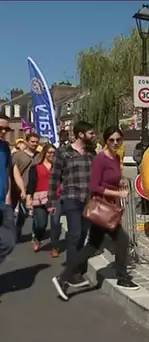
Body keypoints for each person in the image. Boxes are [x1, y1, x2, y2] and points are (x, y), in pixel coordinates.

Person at [52, 126, 138, 300]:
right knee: (122, 240)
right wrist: (118, 193)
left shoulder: (116, 158)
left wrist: (120, 181)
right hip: (102, 209)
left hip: (110, 208)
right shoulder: (100, 159)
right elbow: (95, 186)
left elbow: (112, 179)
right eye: (111, 140)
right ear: (106, 141)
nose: (115, 143)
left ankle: (64, 277)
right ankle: (122, 277)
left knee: (91, 245)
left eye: (118, 140)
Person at [48, 121, 97, 288]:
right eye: (91, 133)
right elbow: (55, 177)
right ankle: (70, 274)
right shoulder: (63, 152)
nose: (94, 135)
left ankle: (76, 269)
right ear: (81, 134)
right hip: (71, 198)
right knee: (75, 234)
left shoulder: (91, 152)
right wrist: (52, 201)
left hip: (88, 199)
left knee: (83, 234)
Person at [26, 143, 62, 257]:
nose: (52, 155)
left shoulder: (59, 167)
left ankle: (55, 247)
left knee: (55, 223)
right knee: (41, 224)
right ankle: (37, 238)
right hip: (40, 199)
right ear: (45, 153)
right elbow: (31, 184)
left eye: (54, 153)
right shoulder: (35, 167)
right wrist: (28, 198)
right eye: (49, 152)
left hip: (55, 198)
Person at [12, 132, 39, 241]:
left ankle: (35, 235)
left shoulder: (39, 155)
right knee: (23, 214)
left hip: (36, 189)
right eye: (32, 141)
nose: (35, 144)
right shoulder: (18, 156)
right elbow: (13, 171)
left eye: (36, 142)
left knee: (36, 213)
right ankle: (17, 232)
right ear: (27, 142)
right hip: (21, 188)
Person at [0, 115, 15, 264]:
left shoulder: (5, 147)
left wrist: (9, 194)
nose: (3, 131)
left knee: (9, 242)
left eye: (6, 129)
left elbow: (7, 171)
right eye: (0, 128)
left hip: (4, 201)